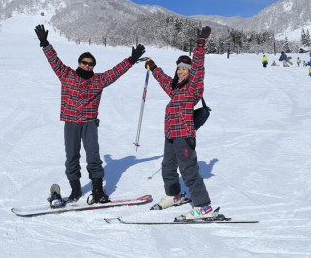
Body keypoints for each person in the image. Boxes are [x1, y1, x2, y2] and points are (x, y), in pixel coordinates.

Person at [34, 24, 145, 205]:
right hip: (71, 122)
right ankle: (76, 190)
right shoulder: (66, 75)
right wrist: (45, 43)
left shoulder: (98, 80)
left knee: (93, 156)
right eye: (84, 63)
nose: (87, 66)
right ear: (79, 63)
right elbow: (54, 60)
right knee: (72, 156)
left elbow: (115, 72)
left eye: (91, 64)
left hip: (89, 123)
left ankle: (98, 190)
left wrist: (131, 60)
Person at [144, 26, 214, 221]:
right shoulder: (175, 88)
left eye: (185, 69)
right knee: (167, 166)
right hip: (170, 135)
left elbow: (198, 67)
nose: (181, 71)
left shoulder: (193, 87)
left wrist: (200, 44)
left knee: (188, 169)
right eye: (179, 68)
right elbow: (163, 79)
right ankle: (174, 195)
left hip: (184, 135)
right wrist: (153, 67)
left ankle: (203, 206)